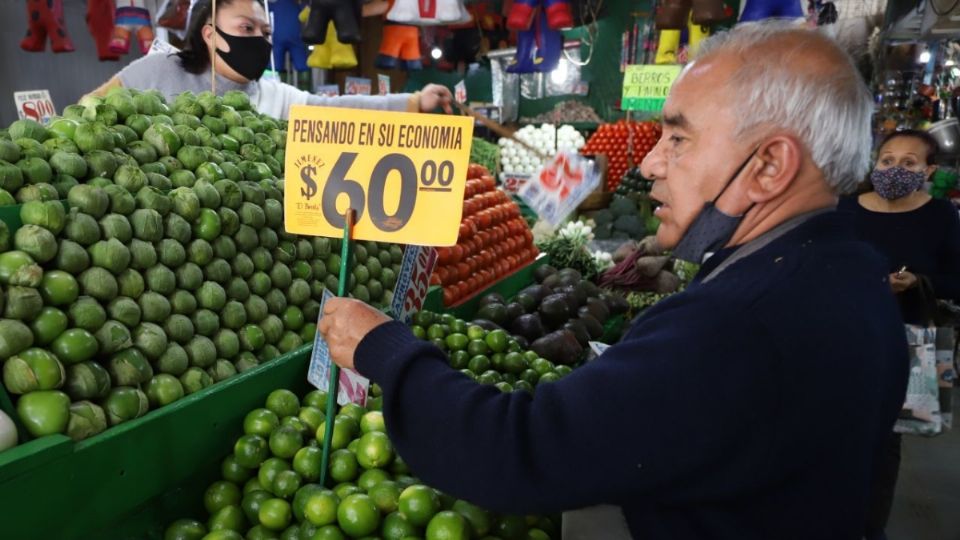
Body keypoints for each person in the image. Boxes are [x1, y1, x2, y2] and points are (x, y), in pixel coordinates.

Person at [319, 22, 909, 539]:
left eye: (678, 139)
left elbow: (516, 452)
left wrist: (385, 349)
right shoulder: (852, 272)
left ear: (770, 165)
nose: (650, 163)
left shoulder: (737, 324)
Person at [840, 130, 960, 540]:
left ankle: (868, 529)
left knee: (885, 444)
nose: (894, 170)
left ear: (928, 171)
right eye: (887, 160)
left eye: (909, 164)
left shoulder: (942, 215)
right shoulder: (845, 210)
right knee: (834, 432)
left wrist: (917, 282)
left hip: (909, 342)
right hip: (844, 337)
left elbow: (956, 280)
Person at [88, 0, 453, 120]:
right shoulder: (157, 71)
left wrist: (414, 101)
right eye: (246, 28)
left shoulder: (273, 96)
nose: (259, 40)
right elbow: (88, 109)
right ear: (210, 34)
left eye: (264, 33)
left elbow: (340, 110)